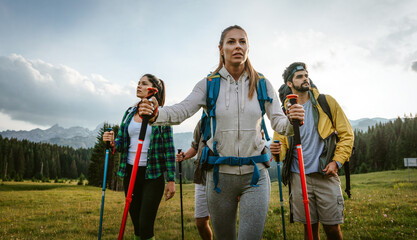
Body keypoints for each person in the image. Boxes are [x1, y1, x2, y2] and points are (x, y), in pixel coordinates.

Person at [138, 25, 305, 240]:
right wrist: (154, 113)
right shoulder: (208, 84)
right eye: (231, 42)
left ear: (248, 48)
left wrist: (293, 120)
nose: (238, 46)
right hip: (218, 178)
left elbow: (280, 123)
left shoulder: (263, 83)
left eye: (242, 42)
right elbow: (181, 110)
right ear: (221, 48)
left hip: (256, 176)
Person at [271, 62, 354, 240]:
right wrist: (276, 151)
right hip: (298, 177)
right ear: (290, 84)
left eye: (306, 75)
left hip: (326, 174)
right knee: (309, 229)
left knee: (332, 229)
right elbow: (281, 147)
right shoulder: (284, 112)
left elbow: (347, 134)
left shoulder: (326, 102)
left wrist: (336, 162)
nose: (305, 79)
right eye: (299, 76)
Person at [103, 74, 175, 240]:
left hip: (153, 176)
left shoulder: (162, 115)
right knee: (136, 224)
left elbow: (169, 149)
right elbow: (121, 143)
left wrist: (171, 180)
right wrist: (112, 141)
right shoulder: (129, 112)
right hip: (130, 173)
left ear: (153, 89)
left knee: (145, 225)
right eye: (138, 83)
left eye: (144, 84)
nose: (138, 86)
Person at [176, 120, 213, 240]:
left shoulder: (229, 117)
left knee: (222, 223)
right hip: (202, 175)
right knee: (201, 222)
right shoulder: (203, 121)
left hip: (222, 175)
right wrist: (184, 156)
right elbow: (195, 146)